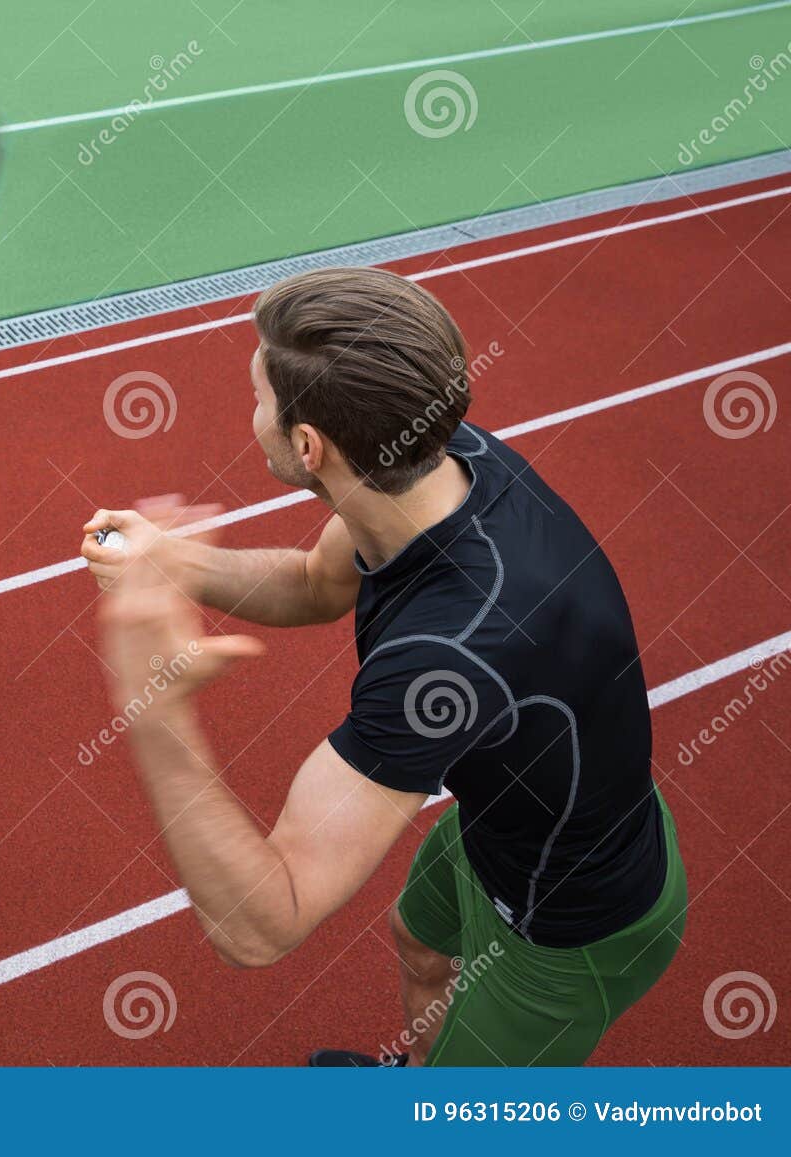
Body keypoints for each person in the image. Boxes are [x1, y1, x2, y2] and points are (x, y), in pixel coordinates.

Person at [82, 267, 686, 1066]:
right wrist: (172, 562)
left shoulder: (447, 655)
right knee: (418, 939)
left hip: (568, 926)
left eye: (258, 395)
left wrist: (153, 708)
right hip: (505, 827)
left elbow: (265, 924)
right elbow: (312, 583)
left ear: (308, 445)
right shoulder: (438, 456)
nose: (251, 411)